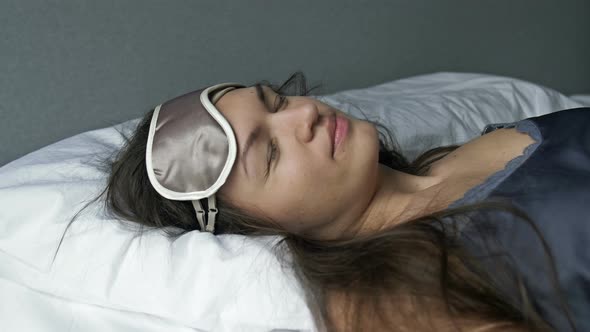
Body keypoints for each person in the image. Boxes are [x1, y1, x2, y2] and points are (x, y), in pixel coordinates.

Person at [70, 72, 589, 331]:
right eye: (269, 153)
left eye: (276, 103)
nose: (304, 116)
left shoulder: (461, 151)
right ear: (256, 228)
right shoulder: (407, 295)